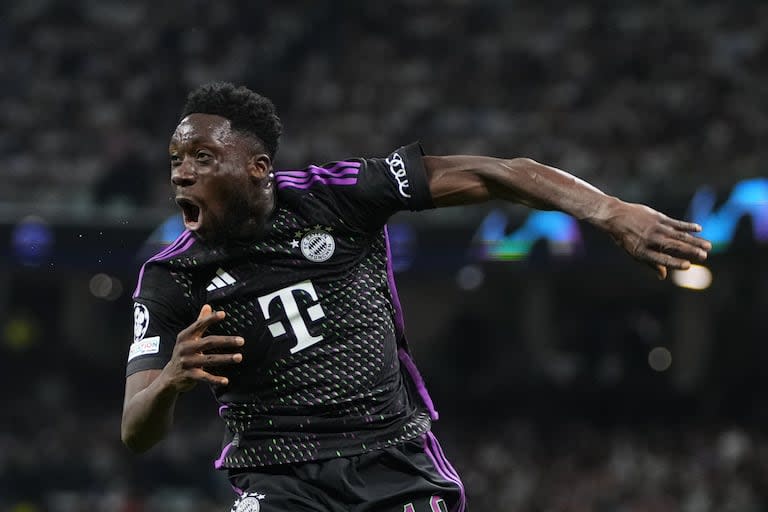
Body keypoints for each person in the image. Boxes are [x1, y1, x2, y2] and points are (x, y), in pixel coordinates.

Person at [121, 82, 711, 512]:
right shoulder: (171, 277)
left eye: (202, 157)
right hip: (277, 478)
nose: (181, 173)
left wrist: (611, 212)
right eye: (176, 161)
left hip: (391, 460)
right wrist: (172, 377)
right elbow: (135, 430)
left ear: (258, 168)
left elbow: (499, 172)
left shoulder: (338, 195)